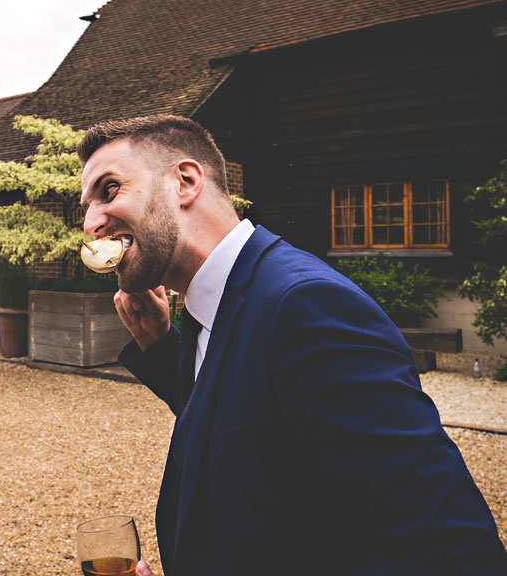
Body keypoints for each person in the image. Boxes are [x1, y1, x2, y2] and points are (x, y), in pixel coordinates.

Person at [77, 115, 507, 575]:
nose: (90, 224)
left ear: (185, 182)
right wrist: (164, 348)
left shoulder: (306, 306)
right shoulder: (207, 306)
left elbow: (450, 550)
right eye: (85, 206)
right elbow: (249, 435)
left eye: (109, 190)